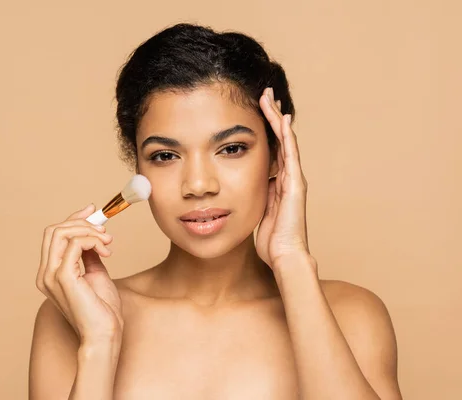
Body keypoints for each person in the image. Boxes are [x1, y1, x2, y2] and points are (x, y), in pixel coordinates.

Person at [28, 23, 403, 400]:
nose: (198, 184)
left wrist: (291, 258)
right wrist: (99, 343)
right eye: (165, 156)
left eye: (231, 149)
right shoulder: (74, 317)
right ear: (139, 169)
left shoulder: (352, 316)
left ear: (277, 156)